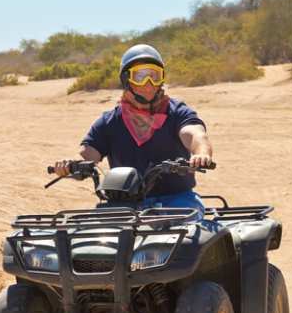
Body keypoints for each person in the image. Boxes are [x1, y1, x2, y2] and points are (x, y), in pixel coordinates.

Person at [53, 44, 213, 217]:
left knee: (186, 235)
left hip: (177, 199)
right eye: (140, 76)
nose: (149, 84)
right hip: (123, 204)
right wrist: (71, 166)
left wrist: (201, 153)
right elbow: (88, 153)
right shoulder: (109, 121)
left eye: (154, 76)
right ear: (126, 80)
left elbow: (195, 133)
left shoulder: (177, 112)